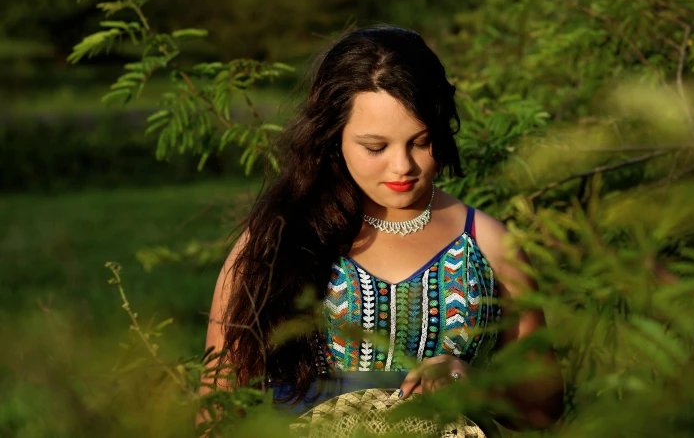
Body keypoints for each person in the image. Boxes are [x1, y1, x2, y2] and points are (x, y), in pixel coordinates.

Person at [201, 26, 564, 434]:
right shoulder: (279, 238)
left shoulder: (489, 245)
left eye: (421, 142)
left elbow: (543, 410)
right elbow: (217, 403)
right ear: (333, 137)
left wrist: (472, 382)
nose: (402, 167)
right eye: (375, 147)